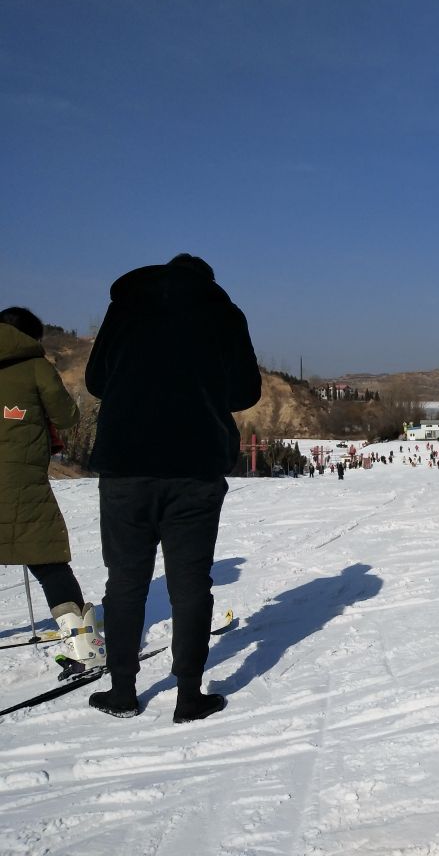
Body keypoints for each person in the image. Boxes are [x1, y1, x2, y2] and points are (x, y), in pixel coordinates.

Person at [85, 255, 262, 722]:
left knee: (124, 582)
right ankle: (188, 695)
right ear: (207, 281)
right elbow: (245, 392)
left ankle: (122, 691)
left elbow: (96, 380)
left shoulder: (124, 306)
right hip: (194, 464)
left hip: (125, 464)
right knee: (189, 583)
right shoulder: (223, 312)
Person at [0, 307, 105, 668]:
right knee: (47, 557)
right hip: (20, 480)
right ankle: (83, 646)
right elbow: (67, 416)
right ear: (33, 337)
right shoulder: (36, 366)